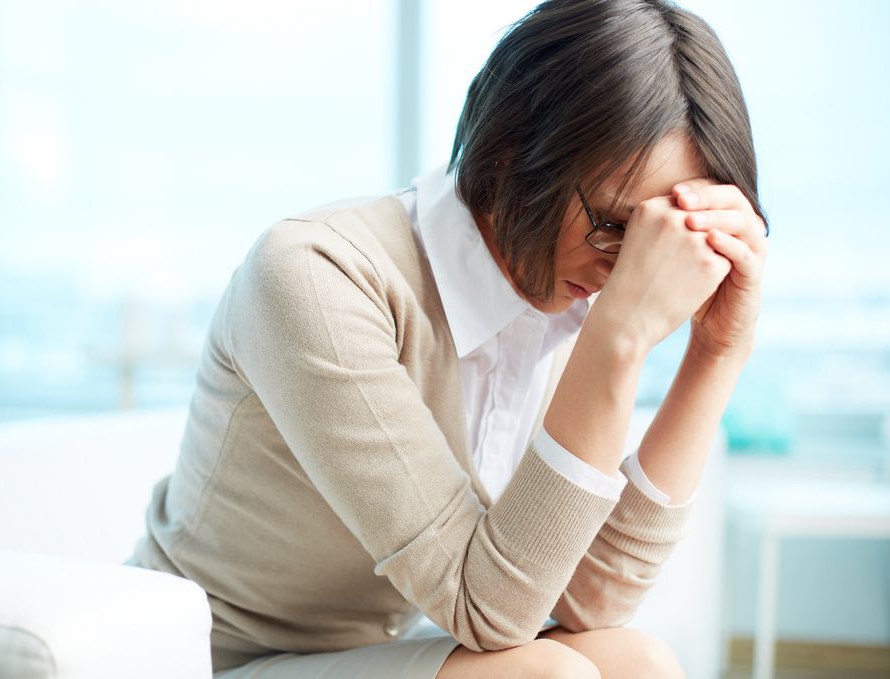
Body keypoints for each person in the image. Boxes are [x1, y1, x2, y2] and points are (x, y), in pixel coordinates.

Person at [129, 0, 768, 676]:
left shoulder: (560, 305)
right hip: (201, 658)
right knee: (547, 674)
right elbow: (489, 608)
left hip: (369, 654)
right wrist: (621, 338)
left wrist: (717, 353)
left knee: (641, 661)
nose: (627, 270)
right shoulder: (316, 275)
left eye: (657, 238)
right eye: (615, 224)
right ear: (512, 147)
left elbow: (591, 601)